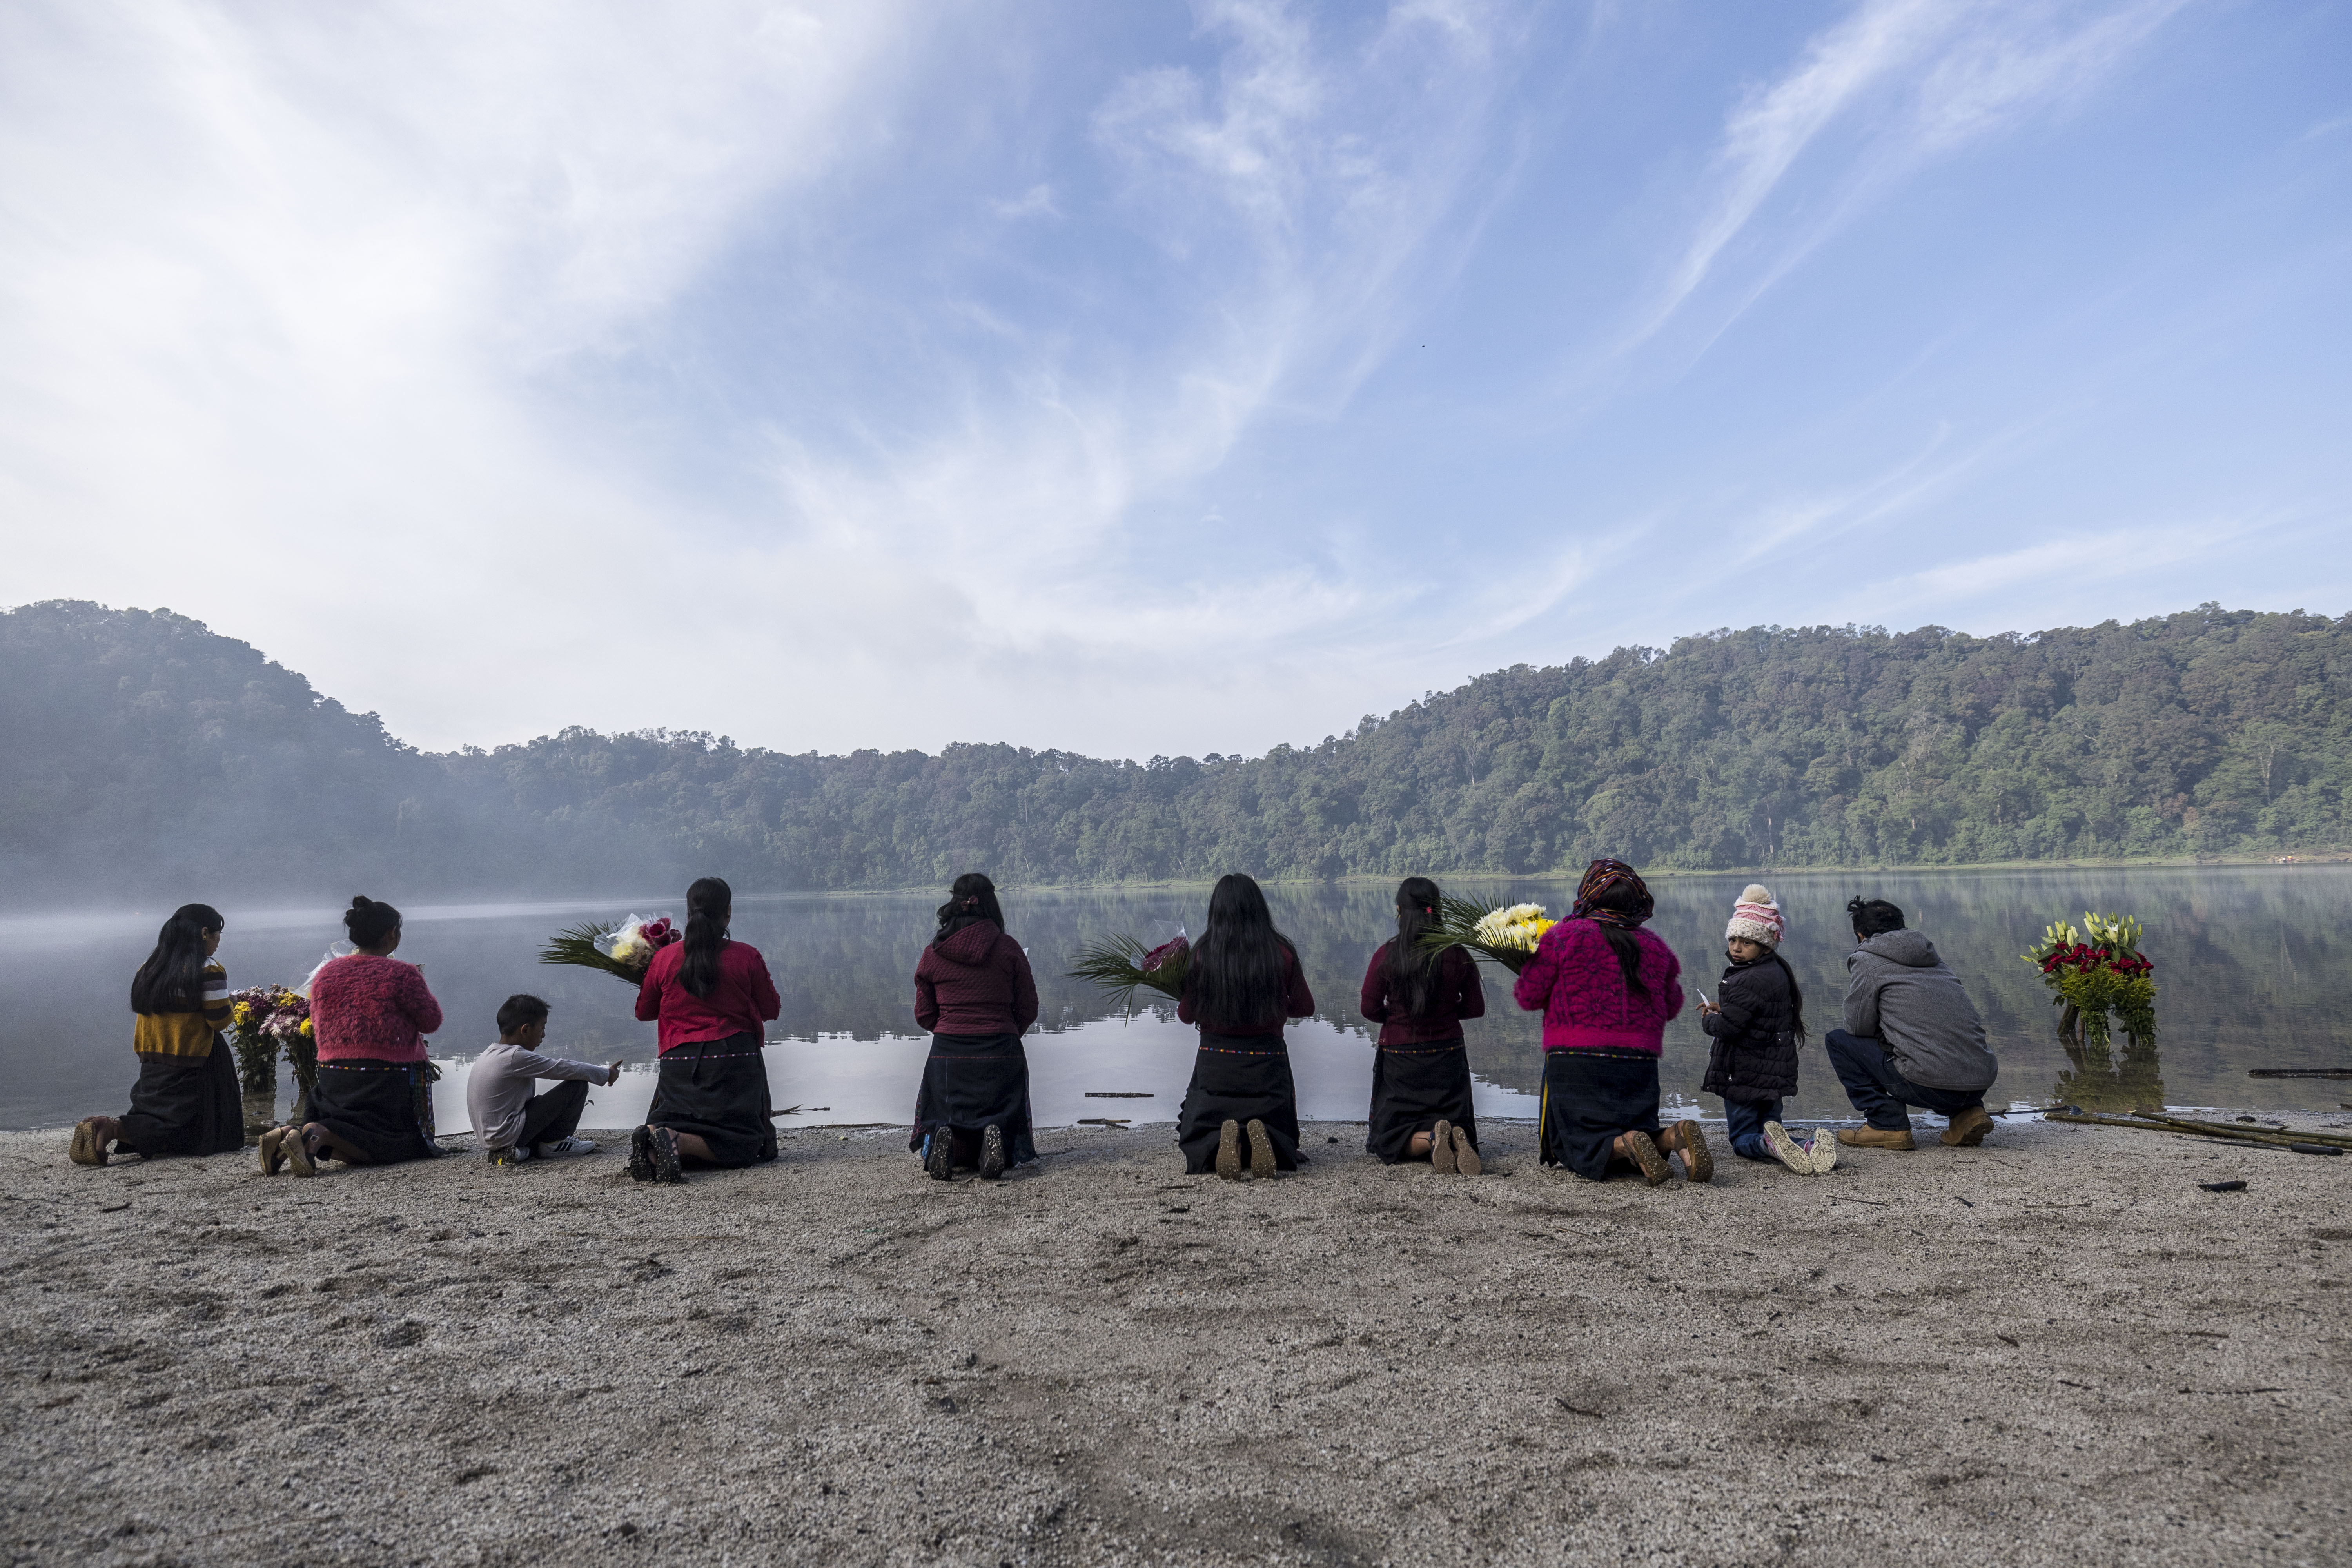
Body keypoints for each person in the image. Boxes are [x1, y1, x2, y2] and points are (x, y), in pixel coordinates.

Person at [1513, 859, 1710, 1186]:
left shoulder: (1562, 937)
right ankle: (1670, 1137)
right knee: (1639, 1124)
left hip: (1577, 1062)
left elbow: (1527, 997)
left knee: (1577, 1141)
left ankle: (1626, 1144)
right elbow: (1672, 1006)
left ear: (1588, 894)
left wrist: (1529, 965)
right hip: (1638, 1065)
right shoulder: (1657, 947)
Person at [262, 896, 444, 1176]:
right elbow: (431, 1021)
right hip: (383, 1080)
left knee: (361, 1141)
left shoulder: (327, 973)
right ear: (391, 934)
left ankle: (289, 1133)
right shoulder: (402, 974)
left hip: (333, 1078)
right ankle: (318, 1134)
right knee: (402, 1146)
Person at [630, 877, 782, 1183]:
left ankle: (653, 1138)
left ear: (689, 913)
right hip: (734, 1062)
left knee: (674, 1118)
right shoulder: (746, 956)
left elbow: (644, 1012)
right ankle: (676, 1140)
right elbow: (771, 1010)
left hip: (678, 1065)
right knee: (742, 1145)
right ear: (727, 913)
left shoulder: (664, 959)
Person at [71, 903, 243, 1166]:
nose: (218, 944)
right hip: (194, 1059)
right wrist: (232, 1003)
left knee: (158, 1112)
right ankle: (110, 1128)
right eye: (217, 937)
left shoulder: (149, 968)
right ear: (204, 933)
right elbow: (219, 1021)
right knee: (181, 1124)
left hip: (152, 1061)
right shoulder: (209, 969)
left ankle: (100, 1127)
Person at [1827, 897, 2001, 1150]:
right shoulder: (1933, 957)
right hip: (1979, 1082)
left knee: (1838, 1041)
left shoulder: (1867, 959)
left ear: (1861, 935)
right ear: (1902, 927)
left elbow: (1857, 1027)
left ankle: (1886, 1124)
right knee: (1937, 1043)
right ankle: (1968, 1114)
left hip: (1930, 1086)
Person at [1175, 873, 1314, 1180]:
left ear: (1216, 911)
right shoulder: (1281, 953)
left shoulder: (1201, 955)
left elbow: (1186, 1016)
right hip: (1268, 1067)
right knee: (1276, 1127)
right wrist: (1276, 1009)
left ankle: (1230, 1143)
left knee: (1200, 1132)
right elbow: (1306, 1007)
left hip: (1216, 1067)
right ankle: (1266, 1142)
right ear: (1259, 909)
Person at [1697, 884, 1835, 1176]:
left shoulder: (1746, 979)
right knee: (1772, 1128)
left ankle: (1770, 1147)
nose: (1736, 947)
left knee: (1743, 1138)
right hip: (1772, 1071)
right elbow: (1757, 1013)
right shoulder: (1776, 971)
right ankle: (1809, 1147)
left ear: (1764, 944)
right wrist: (1727, 1006)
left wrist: (1709, 1017)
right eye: (1733, 939)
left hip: (1744, 1073)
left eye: (1746, 942)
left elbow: (1728, 1028)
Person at [909, 873, 1040, 1182]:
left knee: (947, 1115)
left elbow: (924, 1014)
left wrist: (949, 1030)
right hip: (1001, 1052)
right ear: (992, 905)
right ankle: (993, 1138)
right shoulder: (1009, 949)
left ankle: (946, 1138)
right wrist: (1006, 1031)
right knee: (1001, 1117)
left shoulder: (932, 954)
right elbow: (1028, 1008)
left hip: (948, 1056)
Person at [1358, 876, 1486, 1174]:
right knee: (1451, 1115)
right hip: (1447, 1056)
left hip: (1402, 1060)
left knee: (1390, 1136)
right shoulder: (1456, 954)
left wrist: (1394, 1018)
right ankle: (1454, 1135)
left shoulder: (1386, 956)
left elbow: (1369, 1008)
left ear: (1400, 912)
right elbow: (1474, 1008)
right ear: (1437, 910)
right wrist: (1445, 1013)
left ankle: (1432, 1139)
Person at [466, 994, 620, 1166]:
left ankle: (521, 1152)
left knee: (537, 1102)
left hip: (493, 1137)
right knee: (577, 1085)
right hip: (507, 1134)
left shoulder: (491, 1053)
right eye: (542, 1027)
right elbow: (561, 1068)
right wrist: (606, 1074)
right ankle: (553, 1144)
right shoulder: (514, 1057)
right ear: (525, 1030)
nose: (544, 1035)